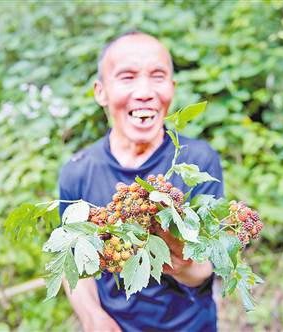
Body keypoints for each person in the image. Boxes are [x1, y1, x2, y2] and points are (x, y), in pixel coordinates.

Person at [59, 31, 224, 332]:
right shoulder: (77, 171)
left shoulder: (198, 161)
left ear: (172, 89)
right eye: (128, 77)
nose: (145, 91)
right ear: (101, 92)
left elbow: (208, 268)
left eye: (157, 76)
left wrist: (179, 258)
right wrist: (93, 318)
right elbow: (73, 261)